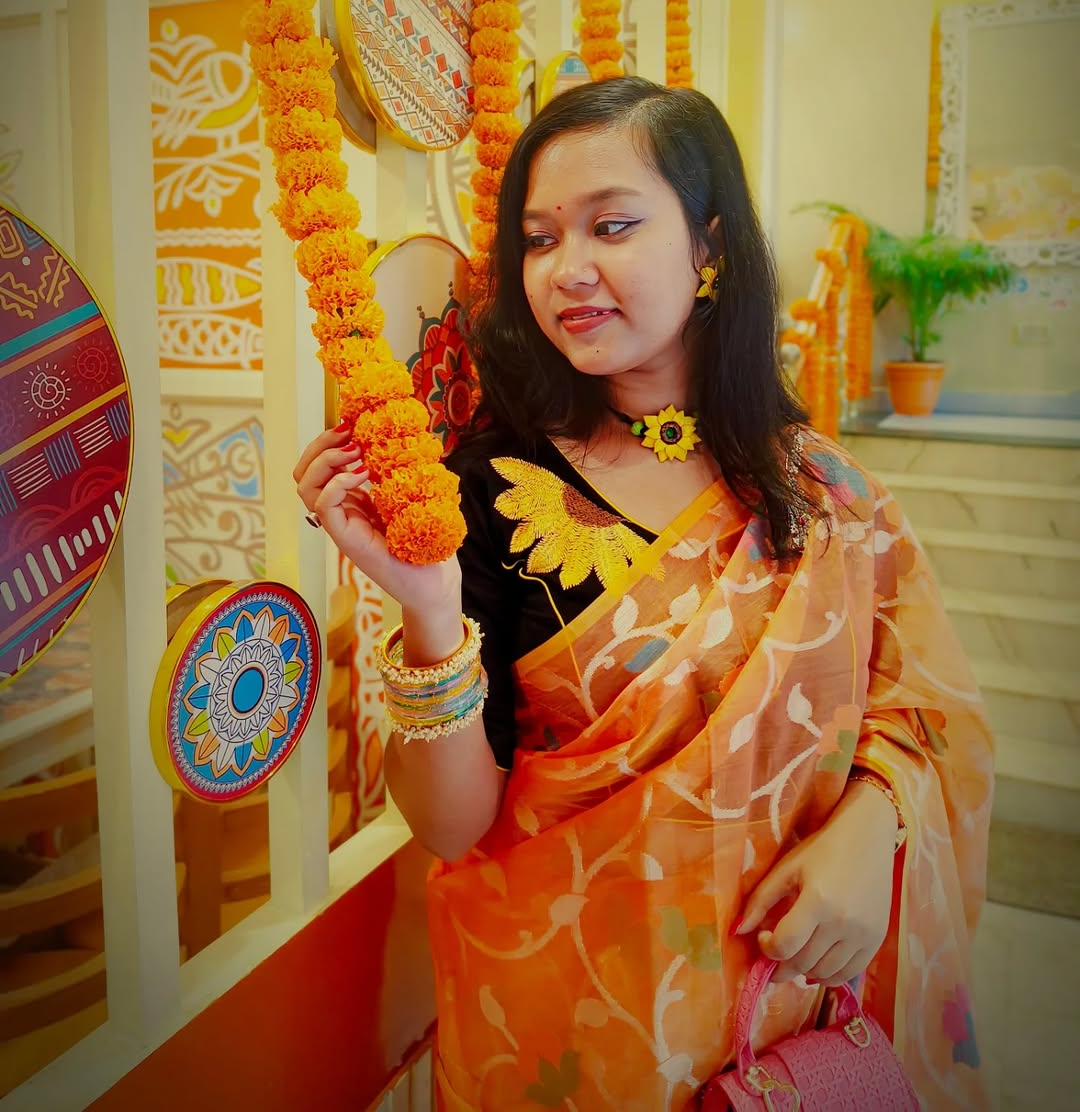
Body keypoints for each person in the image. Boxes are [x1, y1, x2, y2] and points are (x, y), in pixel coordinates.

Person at [294, 78, 992, 1112]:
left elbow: (930, 713)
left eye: (611, 225)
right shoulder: (489, 487)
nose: (567, 270)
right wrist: (429, 609)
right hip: (561, 1034)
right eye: (538, 240)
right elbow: (451, 828)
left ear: (710, 245)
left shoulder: (819, 489)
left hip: (782, 1012)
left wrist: (875, 821)